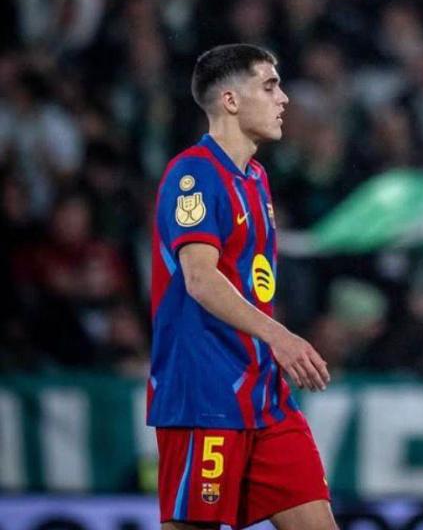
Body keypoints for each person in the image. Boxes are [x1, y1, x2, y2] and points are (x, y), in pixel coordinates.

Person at [148, 44, 336, 530]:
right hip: (206, 393)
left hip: (265, 396)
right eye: (270, 86)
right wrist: (280, 336)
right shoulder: (192, 174)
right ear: (230, 100)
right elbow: (200, 278)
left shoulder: (255, 178)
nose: (285, 98)